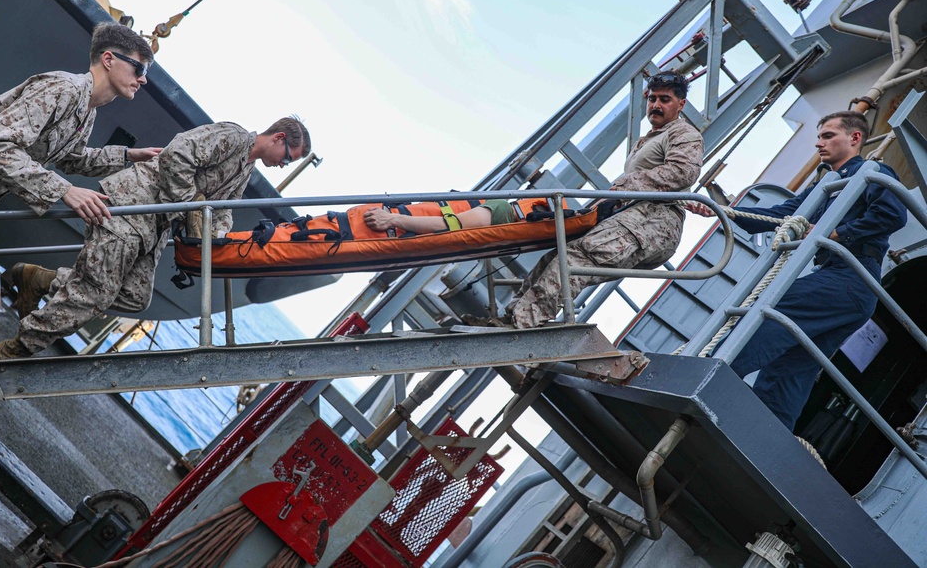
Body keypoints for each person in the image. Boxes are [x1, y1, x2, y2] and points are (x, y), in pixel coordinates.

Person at [0, 117, 311, 360]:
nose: (283, 165)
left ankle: (40, 279)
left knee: (135, 297)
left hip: (154, 227)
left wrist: (219, 236)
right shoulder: (233, 136)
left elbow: (224, 208)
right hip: (132, 205)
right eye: (287, 157)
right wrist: (191, 203)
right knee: (94, 292)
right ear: (278, 137)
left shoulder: (246, 168)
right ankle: (18, 347)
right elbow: (177, 154)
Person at [0, 22, 160, 334]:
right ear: (109, 59)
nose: (143, 79)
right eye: (139, 68)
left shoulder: (86, 108)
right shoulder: (62, 89)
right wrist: (64, 190)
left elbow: (72, 158)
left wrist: (130, 155)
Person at [688, 110, 907, 430]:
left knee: (771, 309)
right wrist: (723, 212)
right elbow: (779, 215)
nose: (819, 143)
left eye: (828, 136)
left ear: (855, 138)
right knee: (791, 365)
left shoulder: (871, 171)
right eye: (818, 137)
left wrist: (835, 233)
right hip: (843, 284)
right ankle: (767, 436)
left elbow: (893, 214)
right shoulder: (825, 187)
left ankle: (706, 380)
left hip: (852, 277)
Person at [484, 70, 704, 329]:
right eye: (652, 98)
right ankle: (511, 316)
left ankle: (522, 324)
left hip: (653, 222)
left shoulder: (684, 134)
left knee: (576, 259)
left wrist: (622, 186)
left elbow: (682, 172)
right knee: (557, 255)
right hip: (635, 217)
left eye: (665, 100)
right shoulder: (648, 139)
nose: (656, 105)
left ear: (681, 104)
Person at [362, 200, 516, 234]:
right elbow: (451, 226)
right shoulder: (502, 209)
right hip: (377, 226)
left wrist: (392, 219)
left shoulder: (502, 208)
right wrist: (392, 219)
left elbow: (450, 226)